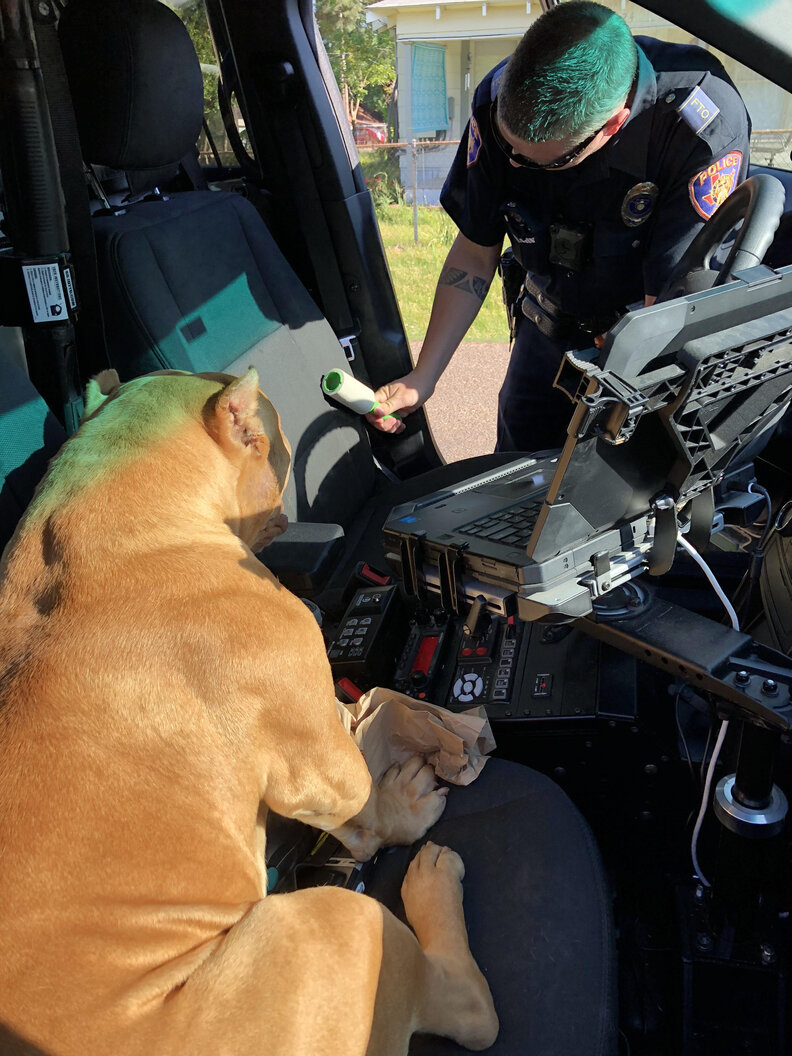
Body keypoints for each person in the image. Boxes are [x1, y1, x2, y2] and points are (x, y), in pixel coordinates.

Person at [367, 0, 751, 452]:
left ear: (612, 126)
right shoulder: (499, 98)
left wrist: (620, 392)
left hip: (642, 345)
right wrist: (422, 377)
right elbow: (475, 251)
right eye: (509, 149)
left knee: (609, 491)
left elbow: (669, 303)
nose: (515, 164)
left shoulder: (696, 125)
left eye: (542, 161)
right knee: (513, 474)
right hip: (544, 329)